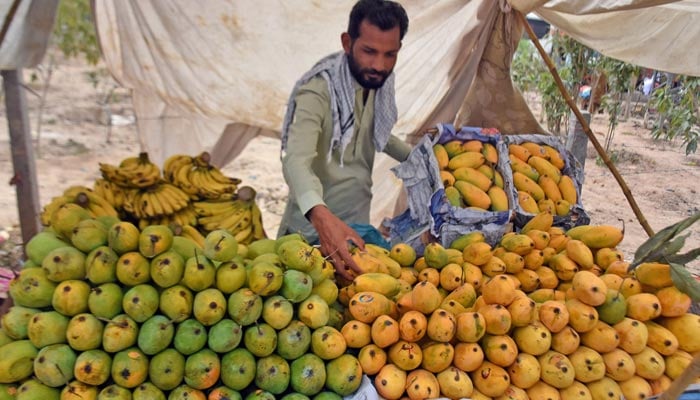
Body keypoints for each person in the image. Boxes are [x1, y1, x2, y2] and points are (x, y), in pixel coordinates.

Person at [278, 0, 412, 281]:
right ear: (347, 42)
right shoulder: (317, 90)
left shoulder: (376, 82)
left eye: (390, 54)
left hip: (356, 226)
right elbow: (295, 160)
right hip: (310, 235)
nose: (379, 65)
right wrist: (319, 215)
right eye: (369, 51)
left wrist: (419, 158)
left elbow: (377, 133)